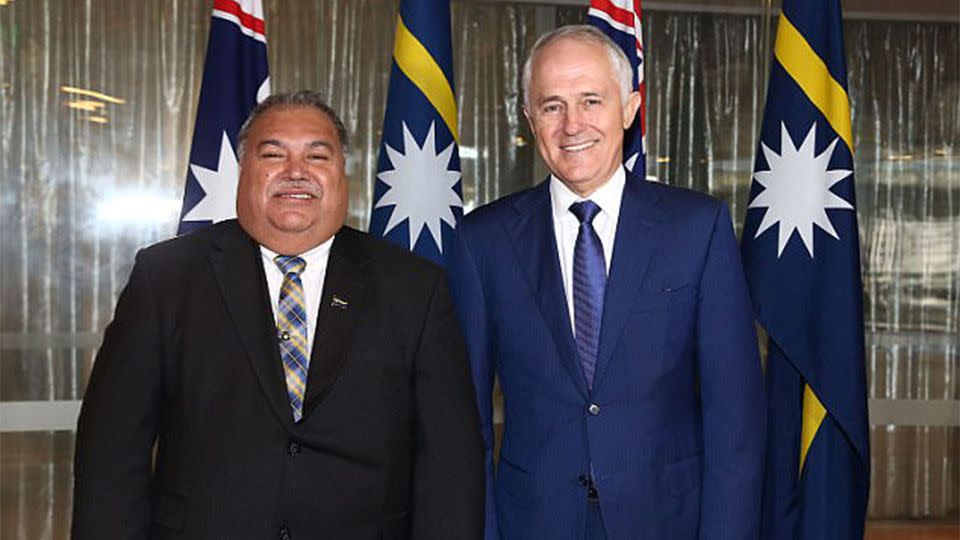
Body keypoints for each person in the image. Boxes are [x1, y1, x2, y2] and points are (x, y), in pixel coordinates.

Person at [73, 91, 484, 540]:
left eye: (317, 155)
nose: (296, 172)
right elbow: (111, 453)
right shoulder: (166, 279)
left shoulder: (414, 287)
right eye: (273, 154)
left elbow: (450, 461)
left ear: (342, 175)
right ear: (243, 170)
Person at [447, 26, 765, 540]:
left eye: (591, 100)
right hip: (532, 523)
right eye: (551, 106)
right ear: (529, 120)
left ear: (630, 107)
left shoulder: (697, 229)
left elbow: (737, 420)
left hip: (668, 523)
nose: (572, 124)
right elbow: (466, 426)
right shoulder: (482, 241)